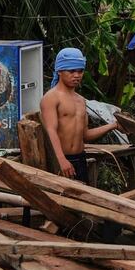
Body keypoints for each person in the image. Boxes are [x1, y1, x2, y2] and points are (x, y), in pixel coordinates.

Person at [40, 48, 120, 182]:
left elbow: (85, 135)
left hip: (80, 158)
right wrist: (61, 160)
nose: (76, 75)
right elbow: (50, 130)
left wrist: (114, 125)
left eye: (80, 71)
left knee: (83, 199)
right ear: (59, 71)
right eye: (71, 71)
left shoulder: (81, 101)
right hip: (59, 159)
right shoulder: (51, 98)